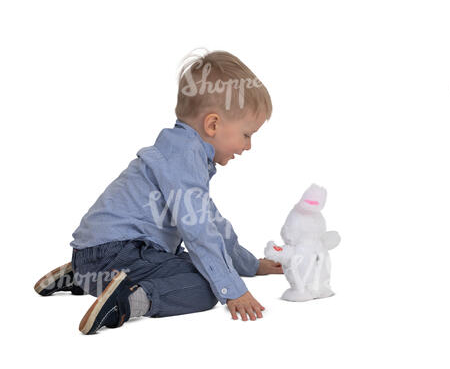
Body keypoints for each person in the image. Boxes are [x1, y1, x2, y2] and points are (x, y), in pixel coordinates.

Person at [34, 50, 283, 333]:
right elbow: (200, 231)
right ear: (213, 125)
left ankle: (84, 276)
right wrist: (232, 289)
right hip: (118, 252)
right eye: (247, 134)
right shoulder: (184, 161)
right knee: (206, 287)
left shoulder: (179, 154)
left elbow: (213, 225)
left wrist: (249, 266)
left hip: (95, 253)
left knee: (203, 264)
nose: (248, 146)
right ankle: (126, 301)